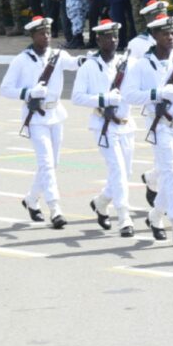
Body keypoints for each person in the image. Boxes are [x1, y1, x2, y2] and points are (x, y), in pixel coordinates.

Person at [0, 16, 77, 228]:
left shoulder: (57, 55)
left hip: (56, 114)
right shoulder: (21, 60)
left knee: (53, 163)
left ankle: (31, 200)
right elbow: (5, 89)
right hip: (36, 118)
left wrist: (88, 60)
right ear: (32, 35)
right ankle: (55, 208)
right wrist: (28, 92)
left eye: (49, 32)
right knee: (46, 163)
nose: (47, 36)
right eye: (42, 33)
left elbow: (73, 64)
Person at [123, 14, 173, 246]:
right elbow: (129, 95)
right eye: (165, 33)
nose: (171, 36)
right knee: (172, 174)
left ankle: (155, 216)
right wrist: (156, 95)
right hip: (161, 126)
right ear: (154, 35)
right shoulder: (142, 64)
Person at [71, 20, 135, 236]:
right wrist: (103, 99)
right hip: (103, 125)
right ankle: (124, 217)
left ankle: (100, 202)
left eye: (116, 36)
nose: (113, 40)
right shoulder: (90, 66)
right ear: (98, 39)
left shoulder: (127, 63)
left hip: (126, 123)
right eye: (108, 36)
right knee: (117, 170)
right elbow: (77, 97)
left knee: (126, 173)